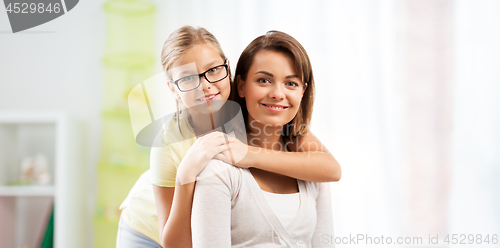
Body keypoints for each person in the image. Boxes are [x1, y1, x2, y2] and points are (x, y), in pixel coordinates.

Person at [117, 26, 341, 248]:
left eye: (213, 70)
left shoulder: (253, 103)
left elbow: (330, 169)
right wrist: (186, 173)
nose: (205, 86)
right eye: (187, 78)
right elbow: (175, 244)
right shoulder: (168, 141)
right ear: (173, 89)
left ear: (228, 69)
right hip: (148, 229)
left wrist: (248, 154)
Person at [191, 31, 335, 247]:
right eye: (264, 80)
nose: (278, 93)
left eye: (291, 83)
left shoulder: (311, 170)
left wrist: (250, 155)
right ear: (241, 85)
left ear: (303, 91)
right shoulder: (218, 170)